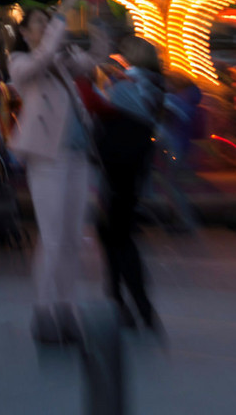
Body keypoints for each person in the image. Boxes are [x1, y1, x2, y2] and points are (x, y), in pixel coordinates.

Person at [9, 0, 99, 345]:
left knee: (73, 238)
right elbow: (42, 57)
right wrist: (63, 13)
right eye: (38, 25)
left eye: (47, 23)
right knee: (52, 237)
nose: (45, 29)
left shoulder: (61, 59)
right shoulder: (19, 61)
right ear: (26, 32)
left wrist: (95, 21)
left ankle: (67, 308)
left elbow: (94, 59)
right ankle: (44, 311)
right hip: (47, 156)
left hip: (77, 154)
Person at [77, 35, 167, 335]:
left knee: (116, 237)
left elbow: (99, 107)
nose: (120, 58)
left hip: (116, 170)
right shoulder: (154, 85)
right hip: (132, 170)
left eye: (125, 54)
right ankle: (126, 305)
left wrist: (83, 80)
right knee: (116, 235)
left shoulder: (130, 85)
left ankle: (130, 305)